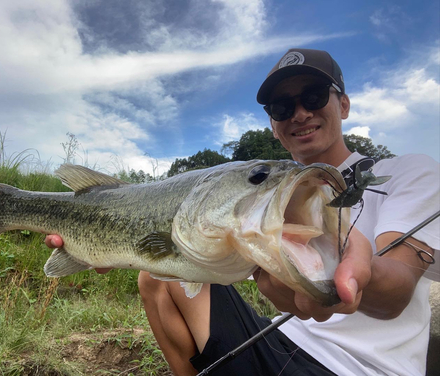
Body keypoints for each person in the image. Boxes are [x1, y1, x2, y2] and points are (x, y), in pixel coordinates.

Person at [46, 48, 440, 375]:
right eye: (282, 106)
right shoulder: (262, 194)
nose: (300, 113)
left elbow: (397, 288)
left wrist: (348, 268)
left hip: (358, 368)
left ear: (345, 103)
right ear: (273, 125)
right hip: (279, 340)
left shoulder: (406, 171)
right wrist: (118, 240)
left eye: (315, 96)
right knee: (157, 275)